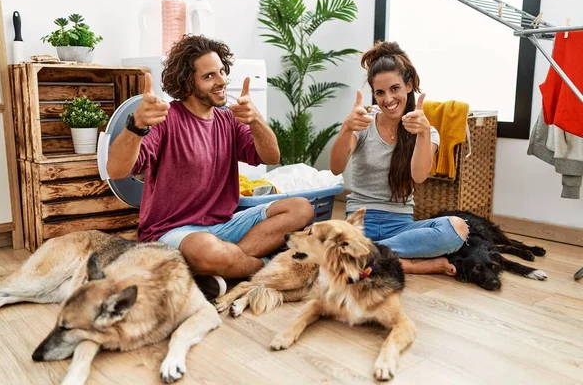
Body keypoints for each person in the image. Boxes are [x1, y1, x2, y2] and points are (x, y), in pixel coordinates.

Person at [107, 35, 314, 299]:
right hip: (173, 231)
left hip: (225, 224)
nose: (221, 82)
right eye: (209, 77)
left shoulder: (228, 118)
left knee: (300, 208)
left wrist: (256, 120)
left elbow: (272, 156)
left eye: (222, 72)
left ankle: (225, 268)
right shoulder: (166, 119)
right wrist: (135, 126)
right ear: (187, 83)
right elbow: (116, 171)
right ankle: (264, 268)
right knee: (207, 250)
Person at [329, 41, 468, 276]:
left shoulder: (426, 131)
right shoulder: (363, 122)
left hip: (402, 224)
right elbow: (336, 168)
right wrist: (346, 129)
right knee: (341, 244)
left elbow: (419, 176)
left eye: (395, 89)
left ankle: (368, 256)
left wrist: (423, 133)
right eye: (380, 92)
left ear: (409, 85)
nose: (388, 99)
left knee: (458, 228)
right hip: (362, 221)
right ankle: (406, 263)